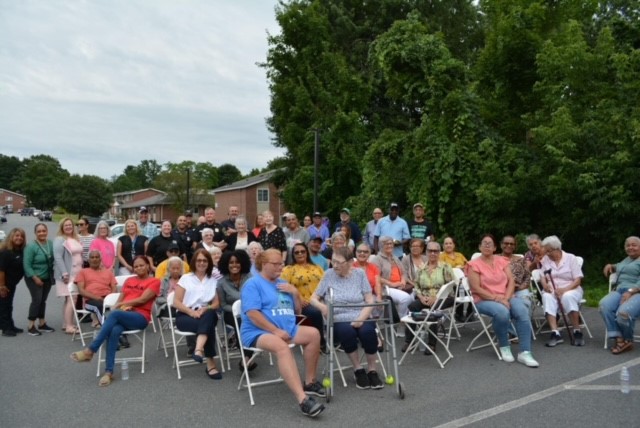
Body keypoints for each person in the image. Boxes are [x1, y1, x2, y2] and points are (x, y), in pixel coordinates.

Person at [240, 249, 326, 418]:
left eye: (282, 263)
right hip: (259, 331)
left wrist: (294, 293)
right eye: (276, 263)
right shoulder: (253, 284)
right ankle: (303, 400)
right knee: (282, 347)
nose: (281, 266)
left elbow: (297, 311)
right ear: (264, 265)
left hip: (286, 329)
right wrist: (275, 330)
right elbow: (252, 313)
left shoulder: (282, 282)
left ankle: (309, 382)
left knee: (314, 334)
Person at [70, 256, 160, 387]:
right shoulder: (129, 280)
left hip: (140, 317)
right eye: (136, 266)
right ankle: (108, 372)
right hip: (123, 314)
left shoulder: (154, 281)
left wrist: (120, 306)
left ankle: (91, 350)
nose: (139, 268)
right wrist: (118, 305)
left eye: (142, 265)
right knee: (113, 330)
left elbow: (142, 300)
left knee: (115, 314)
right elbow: (120, 299)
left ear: (147, 266)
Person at [311, 247, 383, 390]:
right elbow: (313, 298)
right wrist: (323, 307)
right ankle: (358, 369)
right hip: (338, 317)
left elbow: (370, 300)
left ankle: (372, 370)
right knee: (347, 332)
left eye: (339, 262)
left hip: (361, 315)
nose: (335, 265)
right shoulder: (328, 274)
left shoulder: (359, 274)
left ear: (350, 262)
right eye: (333, 261)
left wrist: (361, 319)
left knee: (368, 332)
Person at [466, 234, 539, 367]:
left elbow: (511, 280)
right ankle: (504, 346)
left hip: (506, 296)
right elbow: (475, 288)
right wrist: (497, 298)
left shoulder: (502, 261)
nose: (487, 245)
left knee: (522, 310)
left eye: (490, 243)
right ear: (479, 247)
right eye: (484, 243)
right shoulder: (473, 265)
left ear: (495, 248)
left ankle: (525, 352)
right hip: (483, 300)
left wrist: (506, 297)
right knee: (502, 312)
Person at [172, 249, 222, 379]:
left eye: (205, 260)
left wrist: (207, 308)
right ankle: (210, 364)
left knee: (210, 314)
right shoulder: (186, 278)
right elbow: (176, 302)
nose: (202, 263)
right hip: (185, 316)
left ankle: (198, 349)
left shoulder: (212, 280)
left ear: (209, 263)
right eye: (199, 260)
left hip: (205, 314)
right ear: (194, 261)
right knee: (209, 324)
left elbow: (216, 303)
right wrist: (191, 312)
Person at [401, 241, 454, 354]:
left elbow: (450, 287)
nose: (433, 253)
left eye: (436, 251)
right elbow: (417, 286)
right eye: (430, 251)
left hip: (444, 297)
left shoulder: (445, 267)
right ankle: (409, 340)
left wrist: (436, 297)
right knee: (412, 306)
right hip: (425, 297)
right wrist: (420, 297)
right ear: (426, 252)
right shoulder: (421, 268)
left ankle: (431, 343)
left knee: (432, 309)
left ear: (439, 252)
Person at [539, 235, 585, 347]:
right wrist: (544, 284)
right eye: (546, 251)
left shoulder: (571, 258)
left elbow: (578, 280)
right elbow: (541, 275)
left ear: (557, 249)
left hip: (571, 289)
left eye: (549, 251)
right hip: (553, 290)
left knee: (567, 297)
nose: (547, 254)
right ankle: (555, 333)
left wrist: (564, 290)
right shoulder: (546, 259)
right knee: (546, 297)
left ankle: (577, 331)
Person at [281, 242, 327, 352]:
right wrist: (299, 298)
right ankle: (320, 343)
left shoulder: (317, 268)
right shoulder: (289, 269)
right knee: (315, 312)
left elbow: (325, 284)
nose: (300, 254)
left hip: (319, 299)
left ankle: (338, 338)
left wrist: (320, 298)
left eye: (302, 251)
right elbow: (283, 288)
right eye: (297, 252)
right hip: (301, 303)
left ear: (307, 253)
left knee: (335, 307)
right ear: (293, 255)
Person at [600, 236, 640, 354]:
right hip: (619, 290)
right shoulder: (627, 259)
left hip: (637, 292)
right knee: (604, 305)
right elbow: (620, 267)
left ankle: (628, 339)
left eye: (634, 245)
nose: (630, 248)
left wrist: (631, 291)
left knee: (623, 314)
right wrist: (611, 266)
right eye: (628, 245)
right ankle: (619, 339)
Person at [217, 250, 255, 370]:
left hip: (251, 312)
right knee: (241, 324)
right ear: (226, 265)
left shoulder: (250, 278)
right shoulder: (221, 283)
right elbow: (222, 305)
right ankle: (247, 358)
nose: (234, 265)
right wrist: (237, 309)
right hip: (231, 314)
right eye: (231, 262)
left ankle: (246, 359)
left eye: (237, 262)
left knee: (251, 322)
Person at [23, 223, 54, 336]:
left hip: (47, 277)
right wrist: (35, 278)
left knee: (43, 300)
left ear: (47, 231)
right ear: (35, 233)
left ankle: (42, 323)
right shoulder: (31, 246)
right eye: (39, 231)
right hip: (33, 277)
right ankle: (31, 325)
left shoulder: (50, 244)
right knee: (36, 300)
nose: (42, 233)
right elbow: (27, 265)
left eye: (43, 231)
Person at [54, 217, 84, 334]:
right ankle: (69, 326)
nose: (68, 227)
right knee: (72, 298)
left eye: (70, 225)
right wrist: (64, 273)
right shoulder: (59, 239)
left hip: (77, 272)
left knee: (69, 299)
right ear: (62, 227)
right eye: (66, 225)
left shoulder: (75, 238)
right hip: (67, 274)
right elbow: (58, 257)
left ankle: (66, 323)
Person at [373, 235, 413, 319]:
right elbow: (376, 277)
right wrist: (391, 284)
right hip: (386, 288)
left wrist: (403, 280)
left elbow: (403, 273)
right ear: (381, 245)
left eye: (391, 243)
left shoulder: (395, 257)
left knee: (414, 296)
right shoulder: (377, 259)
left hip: (400, 286)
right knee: (406, 299)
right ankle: (400, 320)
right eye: (386, 244)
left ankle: (409, 322)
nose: (390, 246)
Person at [76, 250, 117, 325]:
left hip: (107, 298)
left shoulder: (108, 272)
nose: (94, 259)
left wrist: (110, 297)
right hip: (91, 300)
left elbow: (114, 287)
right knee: (99, 306)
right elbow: (81, 290)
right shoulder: (83, 272)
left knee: (122, 304)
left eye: (97, 257)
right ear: (88, 260)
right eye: (92, 257)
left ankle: (118, 329)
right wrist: (97, 297)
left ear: (100, 259)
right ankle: (108, 328)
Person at [0, 228, 26, 336]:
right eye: (16, 235)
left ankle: (10, 325)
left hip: (11, 284)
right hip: (4, 284)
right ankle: (6, 328)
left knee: (9, 305)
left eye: (21, 236)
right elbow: (1, 270)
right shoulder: (6, 252)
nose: (19, 238)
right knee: (4, 305)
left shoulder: (20, 251)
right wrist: (2, 286)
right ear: (11, 237)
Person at [440, 236, 470, 322]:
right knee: (461, 289)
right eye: (446, 243)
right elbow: (442, 269)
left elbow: (468, 265)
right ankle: (459, 313)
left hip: (463, 279)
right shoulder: (441, 256)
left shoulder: (459, 255)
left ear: (454, 245)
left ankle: (469, 312)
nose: (448, 245)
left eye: (450, 243)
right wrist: (455, 269)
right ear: (443, 246)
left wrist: (462, 267)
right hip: (450, 281)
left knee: (472, 287)